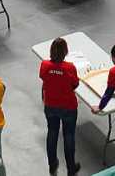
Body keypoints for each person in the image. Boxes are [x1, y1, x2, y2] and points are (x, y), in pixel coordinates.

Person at [40, 37, 81, 175]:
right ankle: (71, 168)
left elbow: (44, 78)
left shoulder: (45, 65)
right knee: (69, 135)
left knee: (52, 132)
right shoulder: (70, 68)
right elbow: (75, 84)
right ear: (65, 51)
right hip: (68, 106)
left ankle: (52, 164)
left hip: (50, 105)